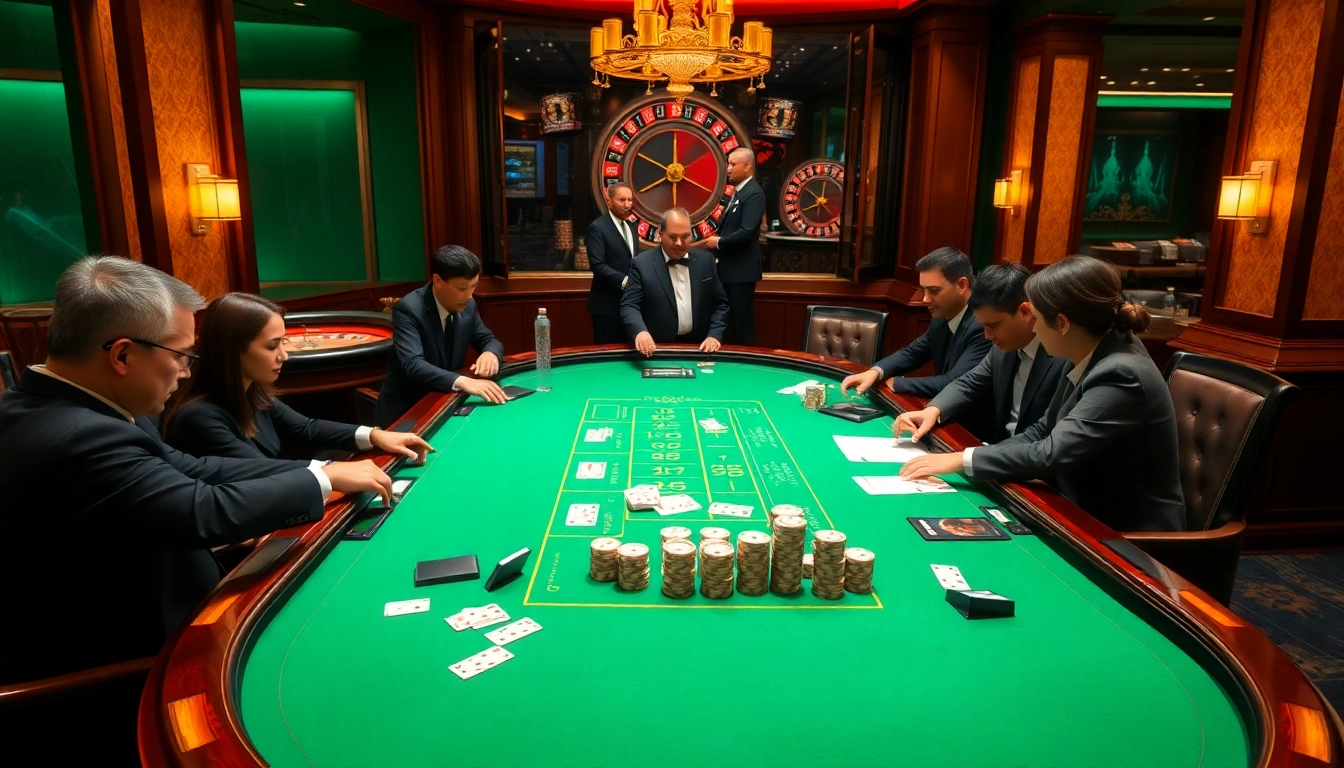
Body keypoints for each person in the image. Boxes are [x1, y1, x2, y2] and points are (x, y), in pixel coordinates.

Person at [0, 257, 393, 684]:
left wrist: (321, 470)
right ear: (123, 355)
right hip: (130, 669)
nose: (188, 370)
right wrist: (323, 480)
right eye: (182, 355)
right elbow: (201, 511)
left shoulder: (81, 407)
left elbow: (191, 466)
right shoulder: (78, 435)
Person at [900, 255, 1186, 532]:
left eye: (1035, 317)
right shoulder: (1091, 350)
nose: (1031, 326)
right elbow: (1041, 430)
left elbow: (1051, 453)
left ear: (1062, 323)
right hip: (1077, 510)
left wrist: (961, 461)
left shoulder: (1121, 373)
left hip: (1129, 538)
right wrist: (969, 457)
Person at [162, 293, 431, 462]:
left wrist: (374, 436)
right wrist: (333, 472)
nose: (284, 355)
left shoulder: (253, 392)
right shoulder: (198, 417)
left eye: (283, 343)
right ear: (233, 352)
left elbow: (307, 428)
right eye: (271, 346)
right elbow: (265, 472)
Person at [895, 263, 1068, 445]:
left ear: (1025, 311)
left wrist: (973, 458)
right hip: (998, 453)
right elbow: (968, 383)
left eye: (992, 326)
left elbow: (1050, 436)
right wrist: (932, 410)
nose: (987, 335)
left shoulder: (1063, 356)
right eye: (983, 326)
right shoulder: (1001, 350)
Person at [840, 247, 994, 435]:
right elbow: (913, 352)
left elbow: (954, 381)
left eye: (934, 290)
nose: (925, 299)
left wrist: (897, 383)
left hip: (973, 429)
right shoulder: (942, 315)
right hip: (945, 416)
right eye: (924, 290)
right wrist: (875, 372)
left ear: (962, 285)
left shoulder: (983, 325)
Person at [375, 245, 506, 426]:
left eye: (473, 286)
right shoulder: (409, 309)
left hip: (444, 402)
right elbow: (414, 364)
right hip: (407, 411)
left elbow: (488, 339)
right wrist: (462, 381)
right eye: (462, 288)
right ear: (437, 280)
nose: (469, 295)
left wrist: (490, 353)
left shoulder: (468, 304)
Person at [621, 207, 730, 357]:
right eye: (673, 237)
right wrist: (640, 332)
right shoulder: (641, 264)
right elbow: (629, 306)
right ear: (660, 234)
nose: (679, 243)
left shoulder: (706, 261)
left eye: (685, 237)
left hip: (699, 347)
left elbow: (721, 304)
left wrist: (714, 335)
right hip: (656, 349)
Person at [704, 146, 765, 345]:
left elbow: (746, 233)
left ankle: (749, 369)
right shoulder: (739, 193)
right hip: (729, 272)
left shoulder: (753, 194)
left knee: (742, 326)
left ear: (747, 167)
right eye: (728, 164)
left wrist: (719, 242)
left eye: (732, 164)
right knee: (727, 325)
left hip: (741, 274)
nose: (728, 169)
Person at [586, 182, 639, 344]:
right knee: (607, 354)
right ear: (609, 201)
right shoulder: (598, 228)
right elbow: (597, 264)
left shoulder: (631, 225)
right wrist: (625, 281)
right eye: (622, 200)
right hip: (606, 306)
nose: (627, 204)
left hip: (630, 305)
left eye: (630, 200)